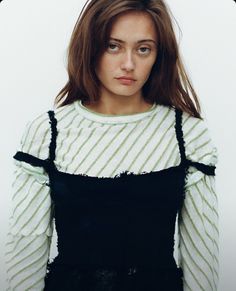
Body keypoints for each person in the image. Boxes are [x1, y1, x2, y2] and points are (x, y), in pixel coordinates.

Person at [4, 0, 219, 290]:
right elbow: (24, 254)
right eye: (112, 46)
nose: (128, 64)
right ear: (90, 47)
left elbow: (202, 259)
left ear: (159, 55)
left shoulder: (186, 135)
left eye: (143, 49)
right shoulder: (47, 133)